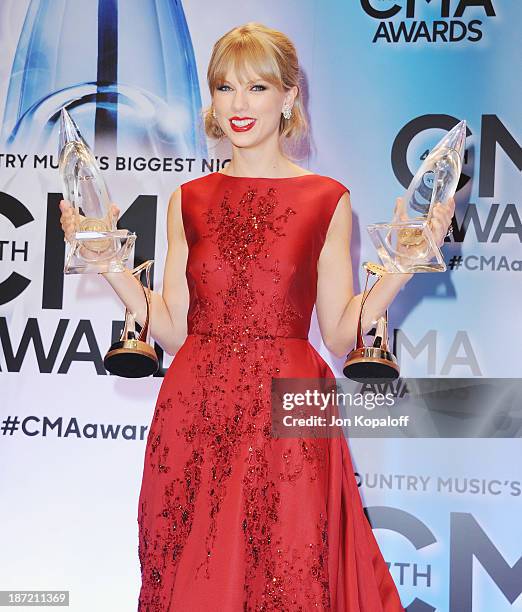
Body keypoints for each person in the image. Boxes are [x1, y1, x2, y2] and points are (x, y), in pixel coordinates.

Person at [60, 22, 454, 612]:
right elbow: (170, 328)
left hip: (289, 406)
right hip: (195, 407)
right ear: (212, 100)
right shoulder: (187, 199)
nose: (239, 105)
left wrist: (405, 260)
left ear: (290, 98)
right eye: (225, 88)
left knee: (289, 574)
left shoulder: (327, 198)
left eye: (258, 88)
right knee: (189, 577)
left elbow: (343, 333)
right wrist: (109, 265)